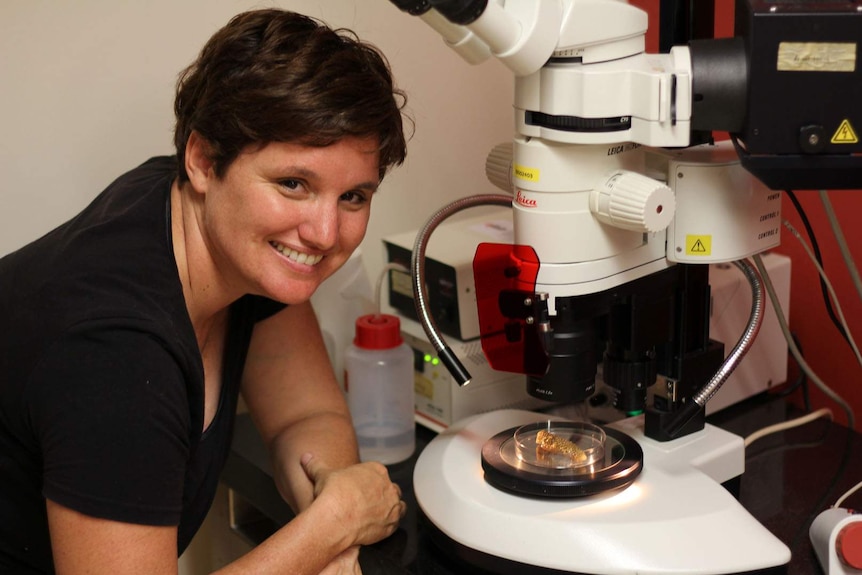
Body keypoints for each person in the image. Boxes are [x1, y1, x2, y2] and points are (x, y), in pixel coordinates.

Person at [0, 8, 409, 575]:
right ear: (202, 160)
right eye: (294, 184)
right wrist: (331, 526)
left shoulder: (223, 233)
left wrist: (335, 521)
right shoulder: (113, 354)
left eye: (354, 197)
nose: (323, 233)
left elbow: (305, 416)